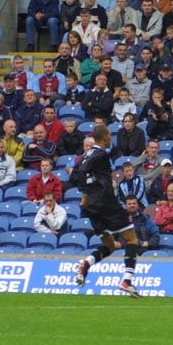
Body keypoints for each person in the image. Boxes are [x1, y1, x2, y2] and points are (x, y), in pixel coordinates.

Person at [73, 125, 141, 297]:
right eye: (110, 135)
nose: (111, 137)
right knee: (132, 239)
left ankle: (86, 264)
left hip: (92, 207)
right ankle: (127, 281)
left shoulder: (85, 154)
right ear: (104, 137)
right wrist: (88, 191)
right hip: (105, 202)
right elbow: (82, 172)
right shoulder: (100, 154)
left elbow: (76, 172)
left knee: (109, 245)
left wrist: (86, 193)